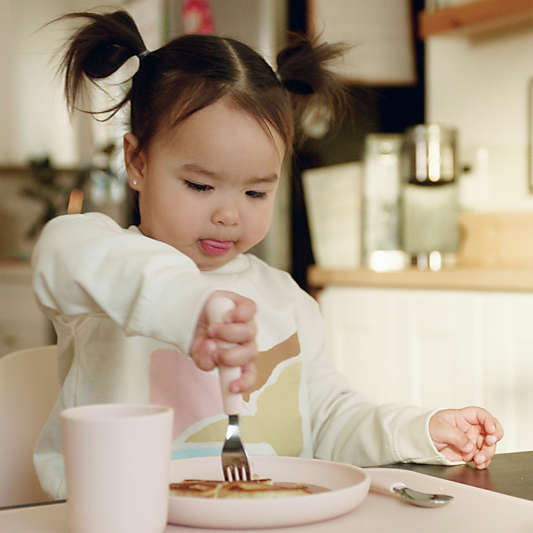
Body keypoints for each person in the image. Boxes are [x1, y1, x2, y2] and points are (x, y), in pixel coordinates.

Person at [32, 10, 503, 500]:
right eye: (200, 185)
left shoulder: (286, 300)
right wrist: (187, 307)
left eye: (256, 193)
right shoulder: (105, 273)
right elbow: (61, 251)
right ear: (137, 161)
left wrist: (418, 431)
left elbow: (328, 423)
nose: (229, 215)